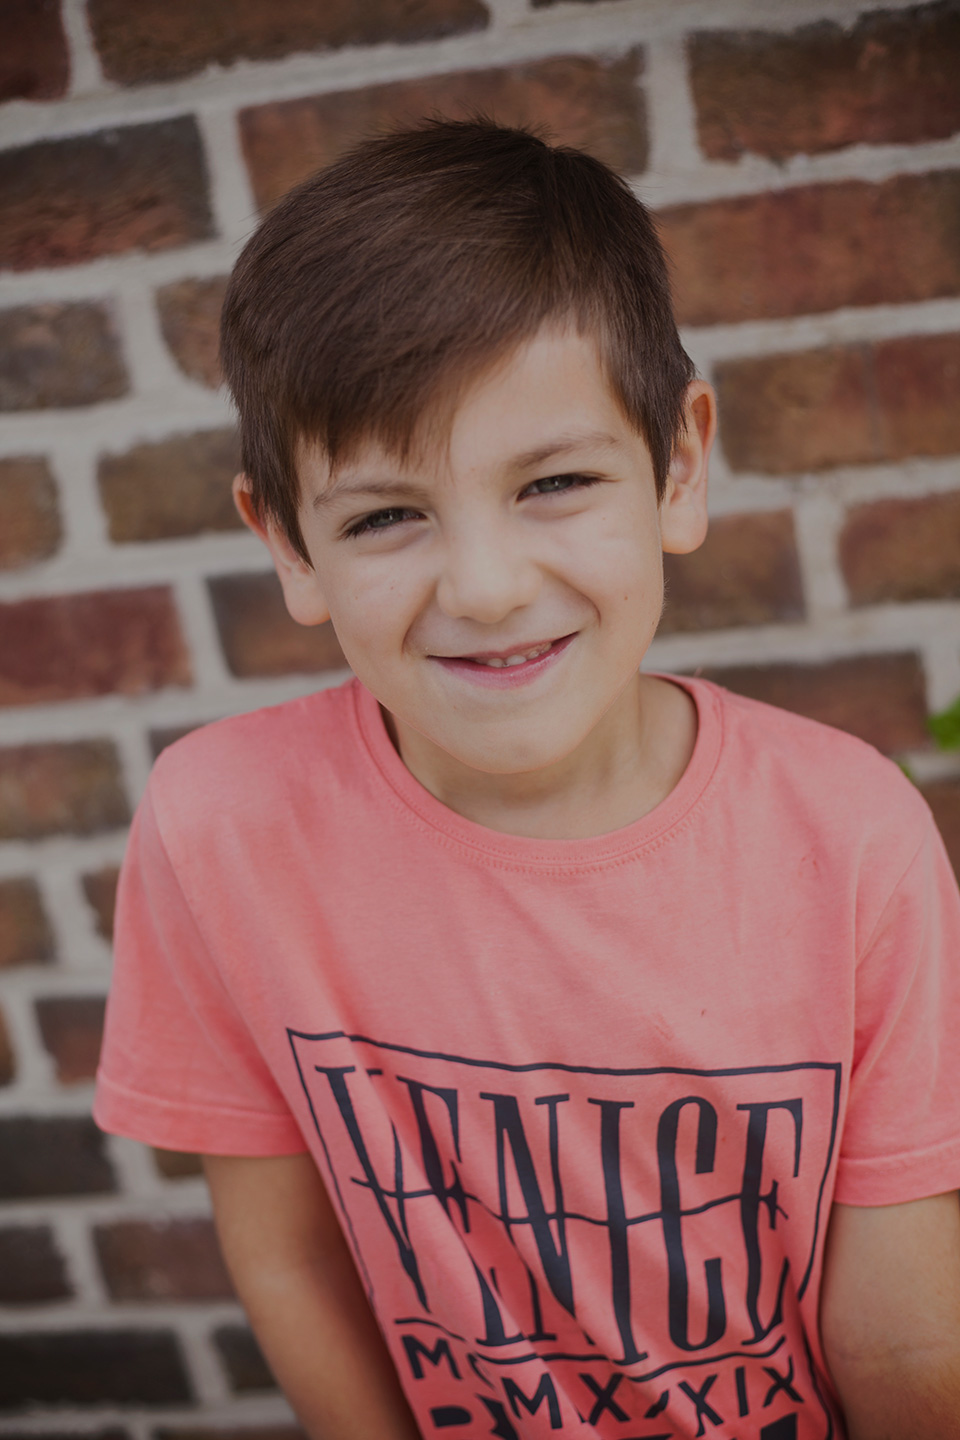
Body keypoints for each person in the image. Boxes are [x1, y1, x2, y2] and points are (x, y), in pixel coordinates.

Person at [94, 120, 960, 1440]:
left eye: (554, 481)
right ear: (290, 547)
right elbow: (289, 1259)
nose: (488, 586)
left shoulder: (851, 836)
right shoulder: (220, 828)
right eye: (386, 515)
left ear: (678, 468)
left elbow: (903, 1336)